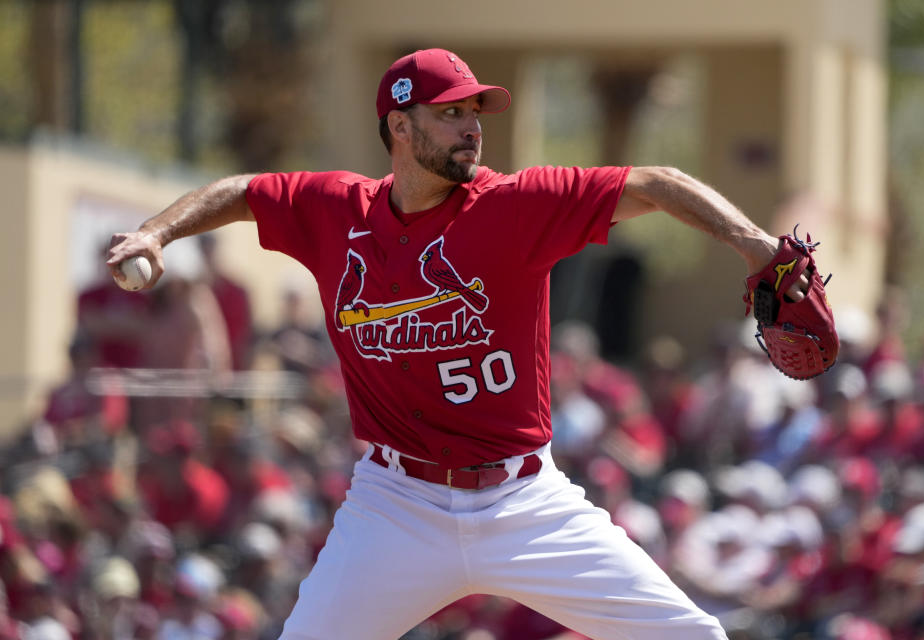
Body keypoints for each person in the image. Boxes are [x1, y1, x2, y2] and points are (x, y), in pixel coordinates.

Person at [107, 48, 811, 640]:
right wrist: (155, 232)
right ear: (400, 126)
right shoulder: (335, 210)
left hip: (523, 502)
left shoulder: (511, 208)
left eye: (475, 112)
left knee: (694, 637)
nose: (472, 128)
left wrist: (752, 244)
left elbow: (656, 183)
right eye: (451, 113)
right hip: (395, 504)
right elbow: (242, 191)